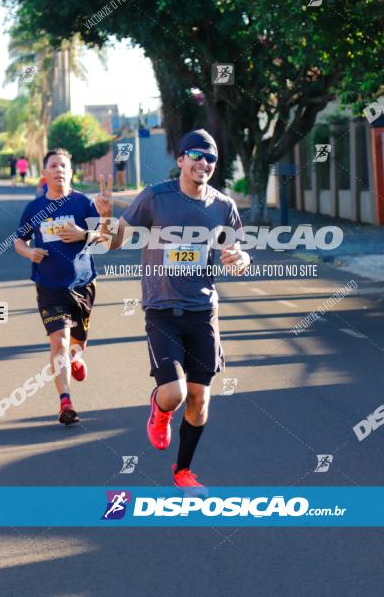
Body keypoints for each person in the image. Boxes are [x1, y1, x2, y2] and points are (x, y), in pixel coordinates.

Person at [95, 129, 251, 489]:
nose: (203, 162)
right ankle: (159, 408)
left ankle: (182, 471)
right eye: (196, 154)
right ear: (180, 160)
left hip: (202, 312)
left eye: (210, 157)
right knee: (174, 394)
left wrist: (240, 258)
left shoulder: (222, 206)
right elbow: (113, 242)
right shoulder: (155, 197)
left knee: (199, 399)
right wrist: (104, 218)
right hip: (162, 309)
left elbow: (237, 254)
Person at [14, 148, 102, 425]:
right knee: (59, 341)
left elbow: (104, 236)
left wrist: (83, 234)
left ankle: (75, 357)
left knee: (77, 344)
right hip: (49, 286)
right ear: (45, 172)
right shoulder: (35, 208)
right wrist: (29, 253)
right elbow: (19, 240)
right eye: (53, 165)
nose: (59, 169)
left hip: (82, 284)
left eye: (63, 165)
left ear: (70, 171)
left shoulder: (83, 203)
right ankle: (65, 402)